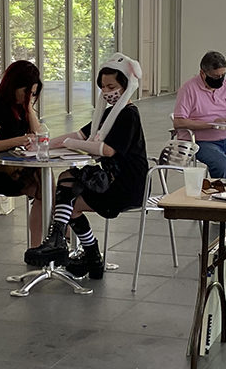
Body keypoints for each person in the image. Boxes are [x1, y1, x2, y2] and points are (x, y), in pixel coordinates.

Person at [26, 53, 147, 276]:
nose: (107, 92)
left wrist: (70, 143)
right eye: (103, 87)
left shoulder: (128, 115)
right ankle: (71, 245)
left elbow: (107, 150)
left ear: (126, 84)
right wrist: (43, 145)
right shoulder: (112, 113)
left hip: (126, 186)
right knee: (67, 180)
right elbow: (82, 134)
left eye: (111, 86)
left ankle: (78, 248)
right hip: (112, 180)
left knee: (68, 198)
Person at [0, 60, 45, 248]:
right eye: (27, 92)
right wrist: (18, 140)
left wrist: (29, 109)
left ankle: (41, 244)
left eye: (33, 94)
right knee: (43, 190)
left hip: (13, 165)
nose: (28, 97)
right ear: (15, 87)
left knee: (46, 185)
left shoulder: (22, 108)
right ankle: (54, 239)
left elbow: (39, 136)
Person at [172, 51, 226, 179]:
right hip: (199, 141)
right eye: (215, 76)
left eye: (223, 75)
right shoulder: (188, 89)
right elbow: (179, 122)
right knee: (221, 164)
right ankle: (220, 191)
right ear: (203, 73)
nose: (220, 79)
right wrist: (212, 124)